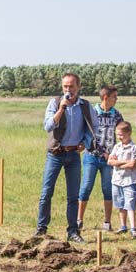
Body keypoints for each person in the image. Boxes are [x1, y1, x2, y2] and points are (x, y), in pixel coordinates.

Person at [37, 73, 98, 242]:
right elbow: (48, 126)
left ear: (78, 87)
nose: (68, 90)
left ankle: (73, 231)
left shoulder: (85, 106)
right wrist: (61, 109)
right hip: (55, 154)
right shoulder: (55, 103)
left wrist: (85, 142)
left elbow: (95, 126)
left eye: (71, 86)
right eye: (65, 86)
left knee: (73, 196)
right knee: (46, 192)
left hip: (73, 155)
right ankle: (41, 229)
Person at [77, 85, 122, 232]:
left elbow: (122, 134)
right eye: (114, 97)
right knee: (86, 187)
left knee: (108, 189)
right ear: (106, 97)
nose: (116, 99)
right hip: (91, 156)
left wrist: (117, 152)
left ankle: (107, 222)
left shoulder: (116, 115)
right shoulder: (92, 112)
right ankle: (79, 220)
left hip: (109, 159)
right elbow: (84, 132)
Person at [108, 121, 136, 237]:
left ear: (129, 133)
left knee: (130, 204)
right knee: (120, 203)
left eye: (121, 135)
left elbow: (132, 164)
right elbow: (110, 161)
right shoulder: (116, 147)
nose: (119, 137)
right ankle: (123, 226)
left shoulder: (134, 148)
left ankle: (133, 228)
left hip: (129, 181)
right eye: (118, 135)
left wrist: (118, 163)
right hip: (117, 180)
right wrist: (124, 162)